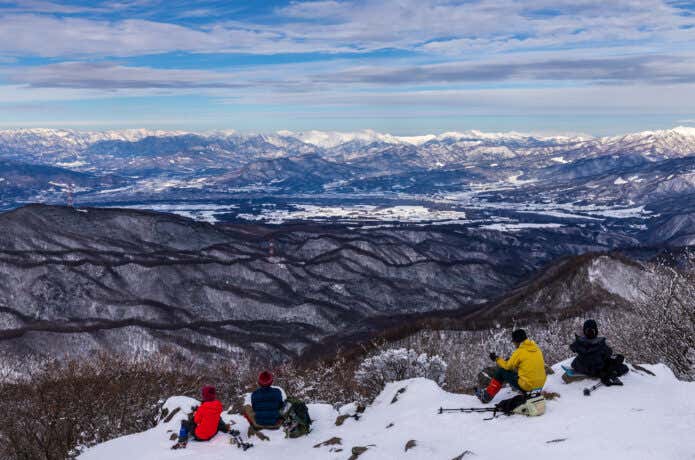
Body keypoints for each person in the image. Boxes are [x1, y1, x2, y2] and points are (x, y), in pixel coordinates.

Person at [476, 329, 547, 403]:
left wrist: (496, 359)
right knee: (518, 373)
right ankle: (529, 392)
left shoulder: (520, 351)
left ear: (517, 341)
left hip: (528, 386)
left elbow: (507, 366)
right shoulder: (536, 348)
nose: (514, 344)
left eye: (514, 342)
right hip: (540, 386)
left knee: (501, 372)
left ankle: (486, 397)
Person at [570, 319, 628, 385]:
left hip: (581, 366)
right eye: (590, 330)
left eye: (591, 330)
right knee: (619, 364)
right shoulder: (600, 343)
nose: (590, 332)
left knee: (612, 360)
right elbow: (608, 353)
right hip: (596, 369)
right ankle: (611, 372)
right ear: (596, 331)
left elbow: (572, 347)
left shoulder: (579, 341)